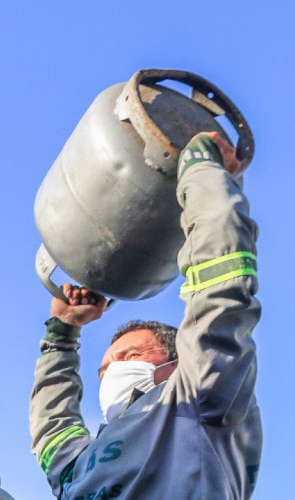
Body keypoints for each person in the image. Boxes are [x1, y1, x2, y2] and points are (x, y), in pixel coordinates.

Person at [29, 131, 262, 499]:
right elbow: (52, 428)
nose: (112, 372)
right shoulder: (81, 464)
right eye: (105, 368)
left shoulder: (200, 399)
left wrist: (202, 174)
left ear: (177, 362)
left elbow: (220, 288)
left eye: (131, 356)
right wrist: (63, 333)